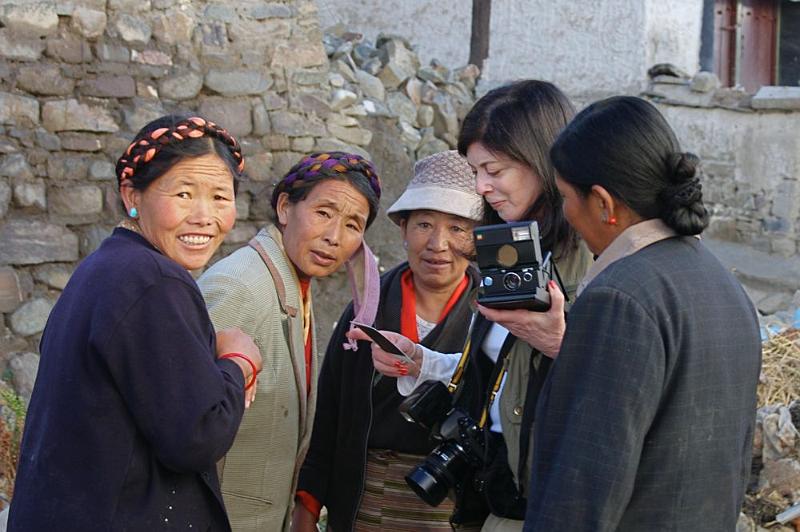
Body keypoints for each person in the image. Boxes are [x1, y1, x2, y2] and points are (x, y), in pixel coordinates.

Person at [349, 80, 594, 531]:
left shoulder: (591, 263)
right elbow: (502, 376)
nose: (481, 187)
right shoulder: (518, 253)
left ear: (540, 159)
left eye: (493, 170)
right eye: (476, 171)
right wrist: (422, 360)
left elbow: (625, 393)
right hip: (495, 498)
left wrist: (564, 345)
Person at [8, 114, 263, 531]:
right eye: (183, 194)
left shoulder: (104, 268)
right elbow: (197, 436)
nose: (204, 216)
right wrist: (239, 362)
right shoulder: (155, 280)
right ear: (132, 194)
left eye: (220, 197)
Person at [522, 96, 761, 531]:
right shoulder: (725, 285)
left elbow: (582, 488)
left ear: (603, 204)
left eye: (565, 198)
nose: (566, 214)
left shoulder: (619, 299)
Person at [293, 150, 485, 532]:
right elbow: (329, 418)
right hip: (367, 501)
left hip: (457, 508)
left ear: (479, 238)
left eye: (458, 228)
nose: (438, 244)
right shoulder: (366, 311)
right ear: (402, 229)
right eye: (424, 224)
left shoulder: (495, 315)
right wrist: (307, 511)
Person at [197, 151, 382, 531]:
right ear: (285, 207)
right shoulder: (240, 287)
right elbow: (185, 423)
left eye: (353, 224)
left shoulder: (289, 283)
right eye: (324, 213)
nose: (334, 237)